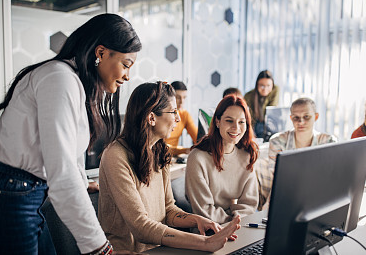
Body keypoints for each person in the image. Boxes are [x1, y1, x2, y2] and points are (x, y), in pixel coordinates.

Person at [0, 13, 141, 254]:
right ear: (101, 53)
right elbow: (62, 170)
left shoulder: (71, 81)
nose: (127, 76)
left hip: (24, 191)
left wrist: (82, 182)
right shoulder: (60, 79)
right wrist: (99, 247)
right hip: (12, 193)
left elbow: (68, 154)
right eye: (126, 64)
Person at [98, 82, 241, 253]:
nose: (178, 118)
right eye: (173, 112)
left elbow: (168, 209)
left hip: (157, 249)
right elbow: (140, 227)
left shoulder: (160, 151)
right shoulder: (115, 155)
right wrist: (204, 242)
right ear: (151, 118)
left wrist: (197, 220)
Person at [185, 94, 259, 224]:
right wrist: (232, 221)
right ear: (217, 122)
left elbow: (249, 205)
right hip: (208, 231)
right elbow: (204, 210)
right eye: (229, 121)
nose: (236, 128)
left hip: (238, 226)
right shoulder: (197, 158)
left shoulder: (247, 155)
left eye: (241, 122)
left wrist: (234, 222)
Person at [259, 98, 337, 208]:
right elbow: (280, 181)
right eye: (296, 118)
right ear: (291, 118)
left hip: (318, 201)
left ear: (316, 117)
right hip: (284, 200)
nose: (301, 122)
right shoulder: (277, 141)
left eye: (306, 117)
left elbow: (330, 179)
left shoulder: (329, 141)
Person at [244, 70, 279, 140]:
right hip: (255, 123)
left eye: (268, 86)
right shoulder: (249, 96)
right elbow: (248, 117)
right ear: (257, 85)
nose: (265, 89)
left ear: (272, 85)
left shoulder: (275, 90)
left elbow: (271, 111)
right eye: (262, 86)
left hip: (270, 122)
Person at [165, 81, 197, 156]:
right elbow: (158, 147)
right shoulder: (163, 115)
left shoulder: (184, 115)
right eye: (178, 97)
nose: (182, 102)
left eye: (184, 98)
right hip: (160, 155)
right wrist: (184, 150)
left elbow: (198, 138)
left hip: (174, 157)